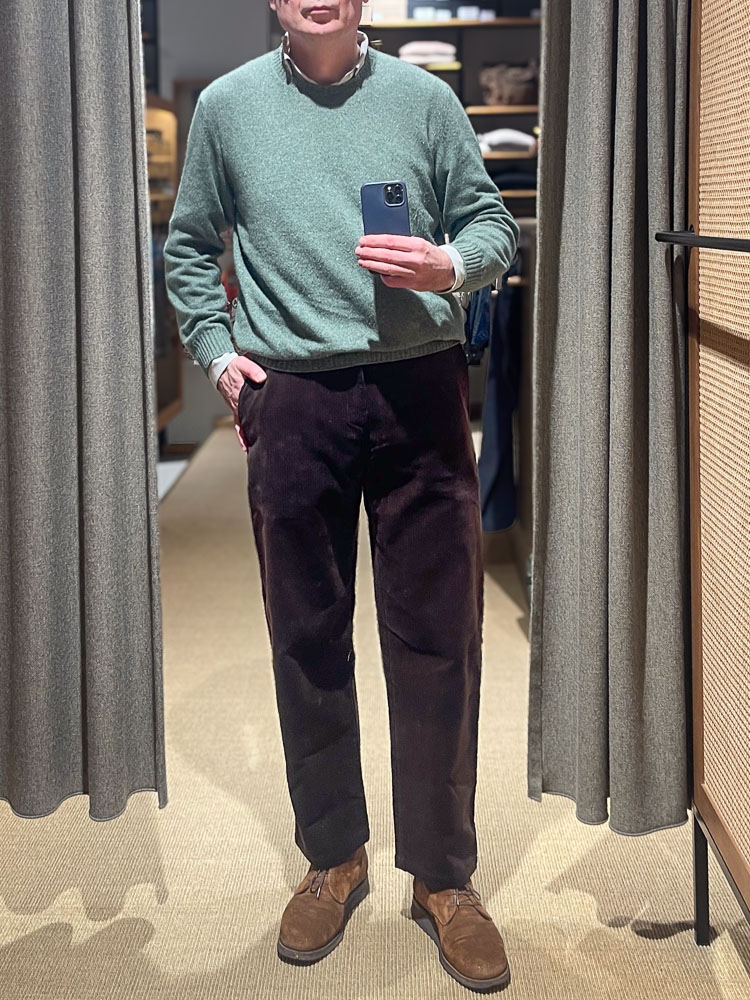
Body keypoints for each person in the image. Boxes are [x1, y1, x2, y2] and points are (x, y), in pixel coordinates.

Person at [164, 0, 519, 991]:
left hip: (421, 390)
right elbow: (189, 247)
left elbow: (492, 223)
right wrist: (219, 355)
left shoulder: (424, 98)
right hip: (292, 399)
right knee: (306, 633)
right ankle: (334, 855)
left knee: (439, 635)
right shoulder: (228, 107)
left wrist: (450, 263)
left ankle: (444, 875)